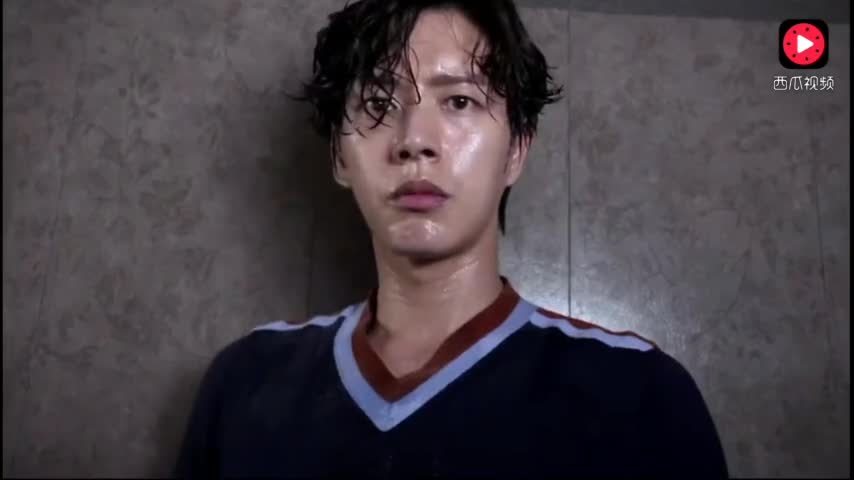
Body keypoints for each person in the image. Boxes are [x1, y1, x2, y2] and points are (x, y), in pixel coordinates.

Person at [174, 0, 729, 477]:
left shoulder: (639, 394)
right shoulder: (244, 383)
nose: (415, 140)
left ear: (516, 151)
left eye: (459, 101)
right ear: (340, 155)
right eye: (378, 104)